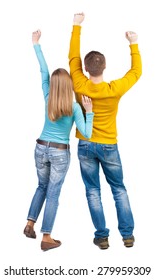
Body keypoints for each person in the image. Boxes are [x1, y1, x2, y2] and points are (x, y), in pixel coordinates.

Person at [69, 13, 142, 249]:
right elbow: (136, 72)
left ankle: (102, 236)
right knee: (118, 188)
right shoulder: (115, 89)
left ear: (86, 69)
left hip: (85, 144)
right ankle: (127, 235)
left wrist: (76, 26)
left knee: (92, 190)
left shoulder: (79, 84)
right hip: (109, 145)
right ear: (105, 67)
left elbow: (72, 58)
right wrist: (133, 43)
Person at [23, 30, 94, 251]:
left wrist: (36, 44)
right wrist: (89, 111)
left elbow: (44, 72)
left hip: (40, 147)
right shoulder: (74, 107)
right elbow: (87, 133)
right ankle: (46, 237)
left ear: (54, 85)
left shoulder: (48, 99)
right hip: (59, 153)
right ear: (69, 85)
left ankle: (29, 223)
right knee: (53, 192)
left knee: (41, 186)